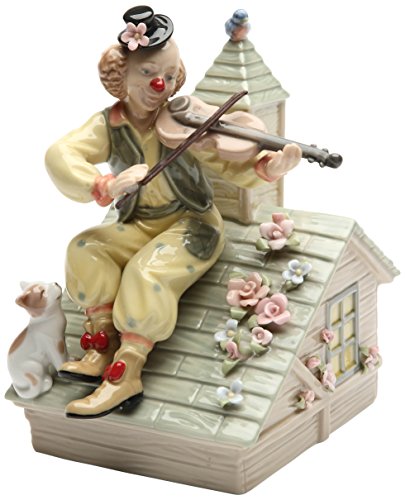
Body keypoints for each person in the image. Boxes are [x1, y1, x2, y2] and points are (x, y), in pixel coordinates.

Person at [45, 5, 302, 418]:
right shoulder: (109, 124)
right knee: (85, 248)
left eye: (167, 73)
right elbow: (61, 154)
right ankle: (100, 346)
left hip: (191, 223)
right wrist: (105, 185)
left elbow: (228, 162)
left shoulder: (185, 120)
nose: (159, 83)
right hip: (139, 222)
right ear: (122, 77)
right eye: (148, 72)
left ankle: (126, 374)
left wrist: (267, 168)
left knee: (146, 272)